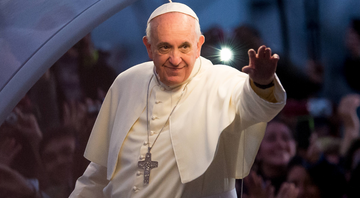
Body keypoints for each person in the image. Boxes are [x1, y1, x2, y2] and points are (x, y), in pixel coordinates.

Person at [70, 1, 286, 198]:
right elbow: (99, 171)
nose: (175, 59)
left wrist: (262, 83)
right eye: (165, 47)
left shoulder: (221, 80)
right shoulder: (125, 83)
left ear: (199, 45)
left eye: (184, 46)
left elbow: (254, 105)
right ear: (149, 47)